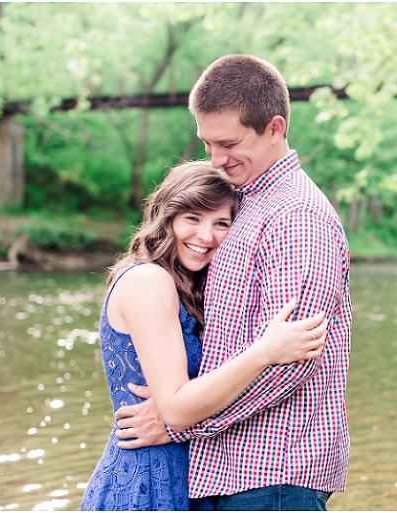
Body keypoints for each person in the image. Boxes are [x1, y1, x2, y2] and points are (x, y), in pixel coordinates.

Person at [113, 54, 352, 511]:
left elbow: (289, 363)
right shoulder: (244, 202)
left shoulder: (295, 216)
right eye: (207, 145)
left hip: (273, 475)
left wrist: (179, 421)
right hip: (232, 471)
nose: (217, 160)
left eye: (228, 143)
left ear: (275, 128)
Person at [80, 161, 329, 511]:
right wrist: (265, 352)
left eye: (221, 223)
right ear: (167, 218)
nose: (206, 236)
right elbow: (178, 409)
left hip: (188, 473)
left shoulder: (190, 288)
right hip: (147, 480)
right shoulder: (149, 281)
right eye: (192, 218)